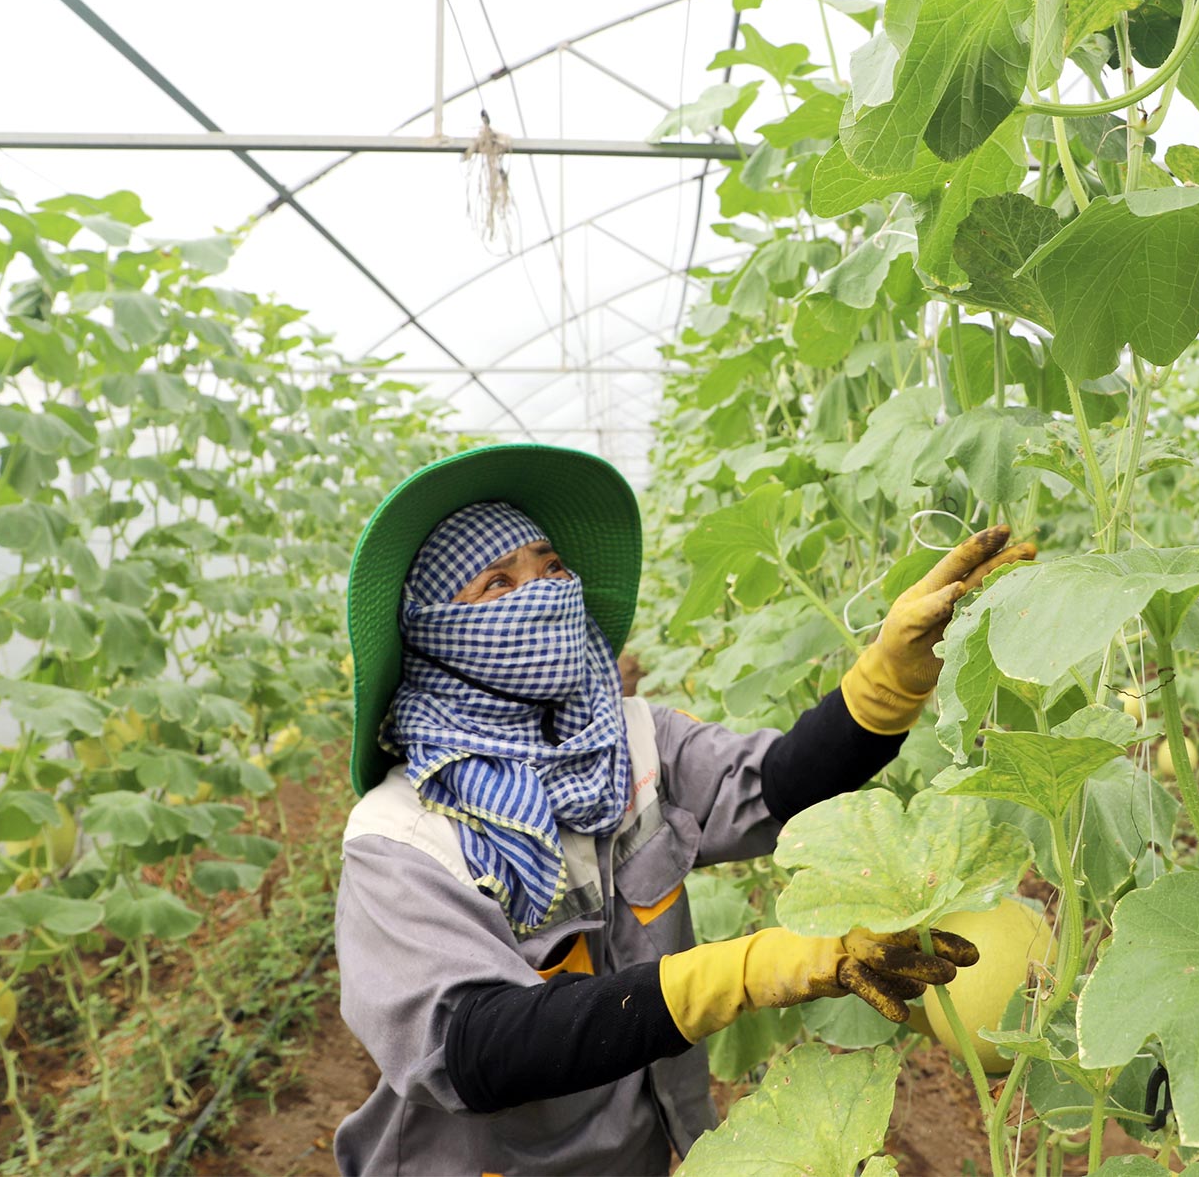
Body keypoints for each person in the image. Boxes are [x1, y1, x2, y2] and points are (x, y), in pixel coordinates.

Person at [331, 444, 1034, 1176]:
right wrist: (748, 969)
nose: (539, 590)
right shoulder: (401, 837)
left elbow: (778, 784)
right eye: (497, 583)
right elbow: (477, 1047)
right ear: (439, 630)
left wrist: (892, 672)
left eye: (549, 567)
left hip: (633, 1152)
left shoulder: (631, 740)